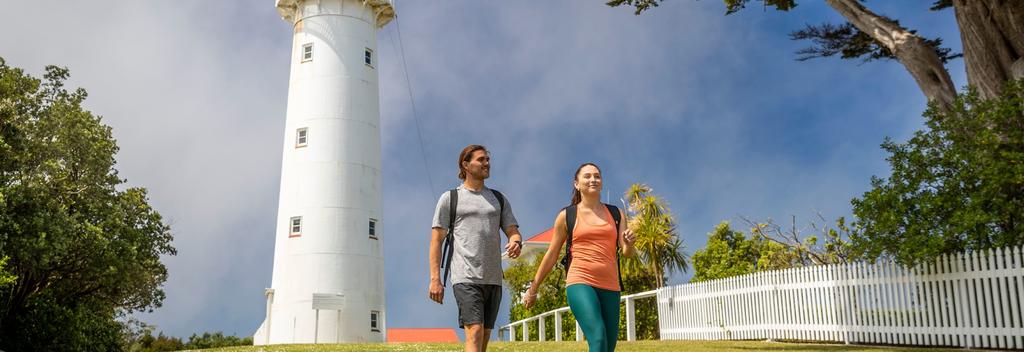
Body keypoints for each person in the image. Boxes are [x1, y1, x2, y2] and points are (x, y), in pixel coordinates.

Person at [524, 162, 636, 352]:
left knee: (608, 347)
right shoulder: (567, 215)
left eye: (597, 176)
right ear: (577, 184)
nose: (593, 179)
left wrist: (630, 243)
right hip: (580, 280)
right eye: (587, 176)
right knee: (598, 338)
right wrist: (533, 288)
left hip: (611, 285)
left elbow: (626, 253)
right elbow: (551, 255)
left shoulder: (616, 213)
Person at [429, 144, 523, 352]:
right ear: (465, 164)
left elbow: (513, 231)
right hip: (465, 276)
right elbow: (436, 241)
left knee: (483, 339)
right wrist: (435, 279)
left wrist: (516, 241)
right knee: (475, 332)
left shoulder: (498, 199)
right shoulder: (450, 198)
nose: (486, 163)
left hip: (493, 278)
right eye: (481, 160)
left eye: (488, 160)